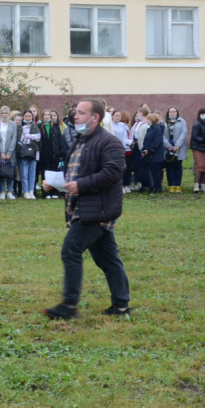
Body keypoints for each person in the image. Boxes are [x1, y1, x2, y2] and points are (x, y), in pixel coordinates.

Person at [41, 98, 131, 320]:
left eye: (81, 113)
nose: (76, 117)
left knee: (70, 250)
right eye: (75, 113)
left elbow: (112, 173)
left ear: (95, 117)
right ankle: (121, 307)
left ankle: (69, 306)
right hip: (82, 207)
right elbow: (76, 172)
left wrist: (81, 185)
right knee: (108, 260)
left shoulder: (109, 142)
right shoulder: (80, 140)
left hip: (97, 210)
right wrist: (57, 183)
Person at [0, 105, 18, 200]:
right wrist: (2, 152)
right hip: (0, 153)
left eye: (6, 113)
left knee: (10, 173)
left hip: (11, 153)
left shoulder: (13, 124)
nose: (4, 115)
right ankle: (2, 192)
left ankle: (10, 191)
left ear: (9, 114)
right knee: (2, 173)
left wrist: (9, 152)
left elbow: (14, 138)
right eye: (2, 113)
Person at [16, 109, 40, 199]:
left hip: (34, 151)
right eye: (26, 116)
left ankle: (31, 191)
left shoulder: (35, 126)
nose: (28, 117)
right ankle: (25, 191)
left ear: (32, 117)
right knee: (24, 173)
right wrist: (29, 136)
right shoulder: (20, 127)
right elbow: (20, 139)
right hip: (23, 151)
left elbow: (38, 137)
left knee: (32, 173)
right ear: (23, 117)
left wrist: (28, 135)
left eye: (29, 116)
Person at [162, 107, 187, 193]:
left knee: (178, 167)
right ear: (168, 113)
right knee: (169, 167)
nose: (172, 113)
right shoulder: (164, 122)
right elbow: (162, 135)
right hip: (168, 148)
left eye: (174, 111)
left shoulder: (182, 121)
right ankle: (171, 185)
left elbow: (184, 133)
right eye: (170, 112)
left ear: (177, 112)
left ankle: (178, 185)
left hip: (178, 148)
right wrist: (168, 145)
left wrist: (177, 145)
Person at [189, 108, 205, 193]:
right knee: (200, 166)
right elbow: (195, 136)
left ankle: (204, 186)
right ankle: (196, 186)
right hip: (198, 148)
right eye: (202, 114)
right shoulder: (197, 124)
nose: (204, 115)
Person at [110, 111, 133, 195]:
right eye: (116, 116)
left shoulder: (122, 125)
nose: (118, 117)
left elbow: (124, 138)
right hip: (112, 148)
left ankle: (124, 184)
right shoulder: (110, 125)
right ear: (112, 116)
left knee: (124, 167)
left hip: (121, 148)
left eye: (119, 116)